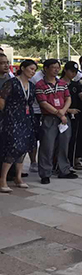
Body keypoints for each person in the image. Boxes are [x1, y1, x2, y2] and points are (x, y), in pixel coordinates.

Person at [35, 59, 78, 184]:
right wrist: (58, 113)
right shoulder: (40, 84)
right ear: (46, 68)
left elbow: (68, 98)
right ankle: (45, 173)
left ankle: (63, 169)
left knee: (64, 144)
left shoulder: (62, 83)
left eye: (58, 67)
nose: (56, 70)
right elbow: (43, 103)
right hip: (49, 117)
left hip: (63, 117)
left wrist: (63, 112)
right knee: (47, 146)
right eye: (53, 67)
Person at [0, 60, 37, 193]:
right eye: (31, 69)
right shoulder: (12, 83)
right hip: (12, 118)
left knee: (24, 146)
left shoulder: (31, 86)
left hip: (26, 118)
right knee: (13, 146)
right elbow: (2, 99)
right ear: (23, 68)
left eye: (34, 70)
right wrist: (7, 114)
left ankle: (18, 177)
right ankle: (3, 179)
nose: (33, 72)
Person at [61, 62, 82, 169]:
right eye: (71, 71)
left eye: (75, 72)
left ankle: (71, 161)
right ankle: (59, 163)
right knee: (62, 141)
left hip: (75, 115)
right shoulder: (59, 84)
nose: (73, 74)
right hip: (62, 114)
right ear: (65, 70)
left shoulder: (76, 85)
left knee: (73, 139)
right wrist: (68, 110)